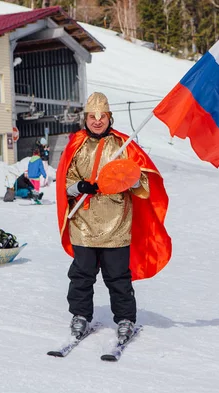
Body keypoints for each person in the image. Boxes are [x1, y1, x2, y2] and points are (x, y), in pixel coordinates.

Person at [55, 92, 172, 344]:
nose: (97, 121)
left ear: (110, 117)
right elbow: (66, 182)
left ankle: (125, 318)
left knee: (118, 276)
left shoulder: (124, 144)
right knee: (81, 274)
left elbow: (143, 183)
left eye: (102, 116)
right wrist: (79, 187)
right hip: (83, 223)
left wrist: (127, 179)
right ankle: (80, 315)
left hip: (116, 223)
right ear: (85, 118)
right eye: (92, 116)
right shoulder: (76, 145)